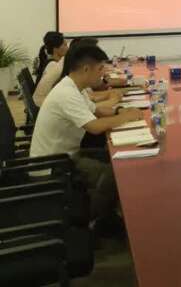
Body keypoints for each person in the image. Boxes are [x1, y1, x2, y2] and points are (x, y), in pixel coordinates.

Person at [29, 43, 143, 231]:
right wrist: (126, 117)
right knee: (114, 173)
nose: (102, 73)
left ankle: (108, 215)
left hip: (65, 156)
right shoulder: (66, 93)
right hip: (53, 166)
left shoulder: (74, 87)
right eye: (100, 69)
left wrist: (121, 110)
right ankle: (90, 222)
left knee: (116, 161)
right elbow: (94, 127)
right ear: (86, 69)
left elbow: (97, 111)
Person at [32, 31, 69, 106]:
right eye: (65, 45)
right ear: (56, 49)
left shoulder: (51, 62)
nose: (67, 48)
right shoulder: (53, 65)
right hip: (43, 104)